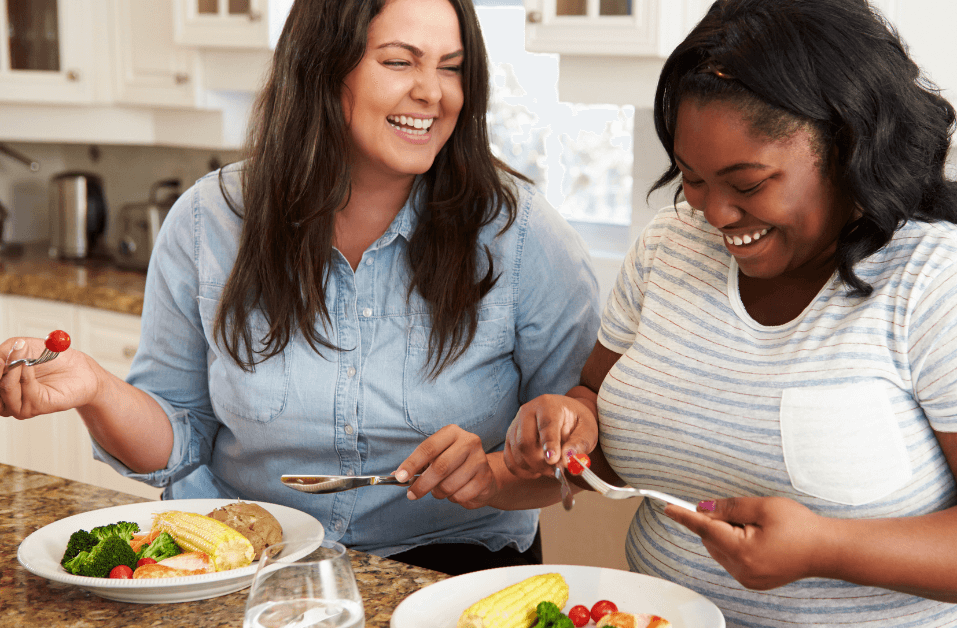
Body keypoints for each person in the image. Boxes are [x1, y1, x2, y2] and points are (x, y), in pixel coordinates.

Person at [502, 0, 957, 625]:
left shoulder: (950, 283)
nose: (714, 214)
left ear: (846, 146)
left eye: (749, 183)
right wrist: (569, 422)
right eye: (693, 178)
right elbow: (598, 399)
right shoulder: (668, 248)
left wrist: (826, 548)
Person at [0, 0, 599, 576]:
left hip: (450, 571)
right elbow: (179, 442)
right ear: (322, 64)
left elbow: (573, 454)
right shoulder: (210, 220)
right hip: (246, 560)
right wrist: (95, 388)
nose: (432, 92)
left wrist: (493, 473)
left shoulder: (518, 234)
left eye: (452, 67)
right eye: (399, 61)